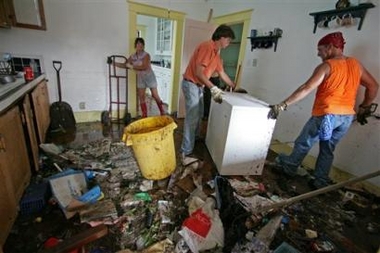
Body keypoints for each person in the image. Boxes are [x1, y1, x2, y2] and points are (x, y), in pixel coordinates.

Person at [268, 32, 378, 189]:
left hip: (327, 115)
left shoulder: (327, 66)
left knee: (304, 142)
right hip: (345, 118)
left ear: (330, 47)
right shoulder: (356, 65)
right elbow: (373, 86)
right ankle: (320, 181)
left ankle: (289, 168)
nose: (318, 53)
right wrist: (364, 107)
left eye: (320, 49)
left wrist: (283, 104)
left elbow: (306, 88)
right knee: (327, 150)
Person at [180, 24, 236, 165]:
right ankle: (185, 151)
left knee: (199, 114)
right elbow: (199, 73)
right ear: (221, 37)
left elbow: (222, 73)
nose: (229, 43)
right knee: (192, 118)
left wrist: (234, 86)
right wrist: (214, 88)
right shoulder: (207, 47)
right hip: (191, 84)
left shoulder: (216, 54)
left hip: (198, 86)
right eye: (228, 40)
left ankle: (196, 138)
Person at [115, 37, 165, 117]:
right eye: (138, 44)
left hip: (149, 77)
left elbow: (144, 66)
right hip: (140, 78)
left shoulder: (146, 55)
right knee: (141, 96)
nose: (140, 46)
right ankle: (144, 115)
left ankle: (162, 111)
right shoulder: (132, 56)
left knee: (154, 95)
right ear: (135, 45)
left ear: (143, 46)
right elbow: (125, 65)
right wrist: (114, 63)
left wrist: (132, 66)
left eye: (141, 44)